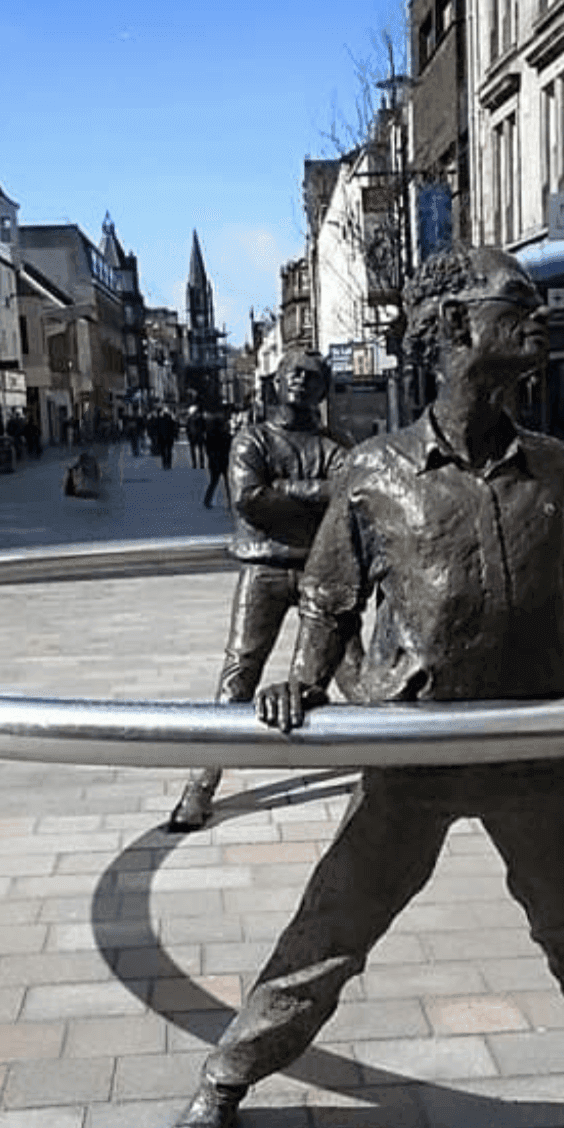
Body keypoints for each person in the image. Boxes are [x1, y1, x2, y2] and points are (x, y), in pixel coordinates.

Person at [155, 247, 564, 1128]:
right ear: (455, 330)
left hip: (532, 749)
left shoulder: (559, 471)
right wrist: (301, 684)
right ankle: (224, 1082)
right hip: (414, 751)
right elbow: (326, 601)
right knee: (328, 935)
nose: (540, 319)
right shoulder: (372, 472)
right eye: (516, 305)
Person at [168, 352, 359, 832]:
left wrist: (288, 492)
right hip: (264, 570)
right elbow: (252, 501)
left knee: (356, 674)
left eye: (312, 375)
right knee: (239, 673)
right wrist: (320, 493)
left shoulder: (339, 443)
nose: (300, 379)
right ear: (274, 382)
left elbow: (350, 495)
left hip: (323, 570)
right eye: (291, 372)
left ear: (324, 388)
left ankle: (392, 766)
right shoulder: (250, 439)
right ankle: (200, 786)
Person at [202, 410, 233, 508]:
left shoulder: (209, 436)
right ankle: (231, 502)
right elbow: (230, 448)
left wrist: (211, 457)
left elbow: (207, 449)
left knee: (213, 482)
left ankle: (207, 500)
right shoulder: (226, 436)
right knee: (229, 483)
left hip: (214, 461)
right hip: (225, 460)